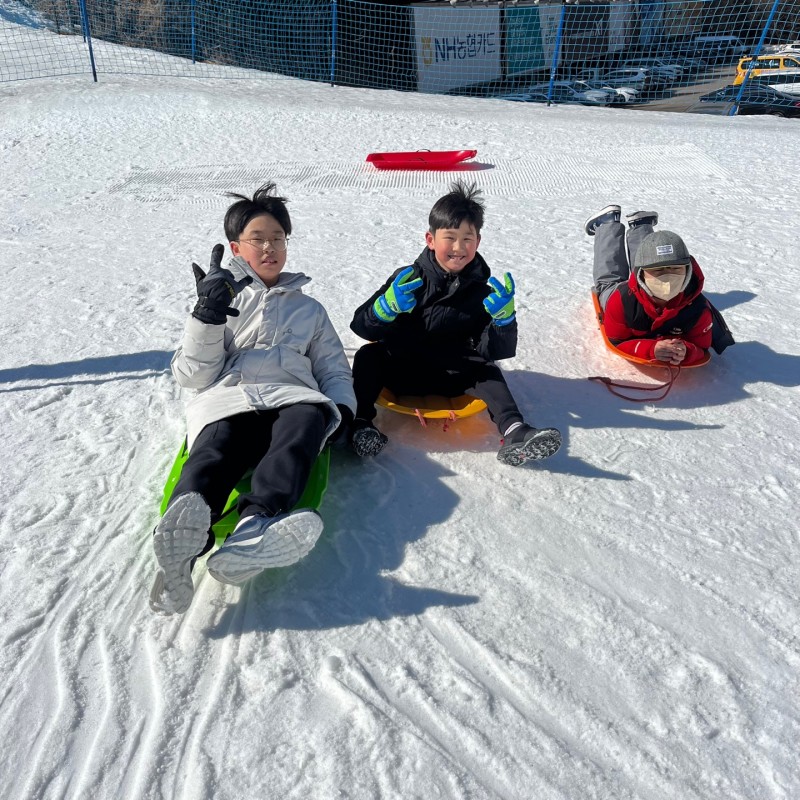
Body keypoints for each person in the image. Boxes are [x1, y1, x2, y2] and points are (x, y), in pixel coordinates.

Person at [150, 183, 356, 615]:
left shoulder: (310, 310)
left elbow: (333, 368)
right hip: (231, 396)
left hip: (291, 396)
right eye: (257, 239)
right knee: (215, 448)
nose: (269, 247)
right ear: (235, 248)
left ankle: (254, 527)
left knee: (304, 426)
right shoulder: (221, 300)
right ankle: (181, 548)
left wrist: (345, 411)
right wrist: (205, 319)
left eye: (277, 238)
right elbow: (192, 375)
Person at [348, 180, 562, 466]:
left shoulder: (482, 292)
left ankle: (515, 430)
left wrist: (504, 321)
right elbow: (361, 327)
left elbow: (491, 350)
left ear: (478, 241)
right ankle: (360, 424)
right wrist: (385, 308)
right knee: (368, 356)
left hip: (450, 373)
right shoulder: (408, 279)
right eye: (449, 237)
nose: (458, 247)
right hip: (401, 369)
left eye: (467, 238)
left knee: (487, 371)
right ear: (430, 239)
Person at [586, 204, 712, 366]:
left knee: (652, 258)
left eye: (675, 269)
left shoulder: (698, 309)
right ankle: (607, 225)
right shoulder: (621, 301)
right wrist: (650, 349)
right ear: (640, 274)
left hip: (642, 283)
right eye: (658, 271)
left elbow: (702, 347)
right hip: (628, 292)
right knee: (609, 281)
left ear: (688, 271)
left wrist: (686, 351)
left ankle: (640, 227)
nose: (667, 278)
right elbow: (617, 341)